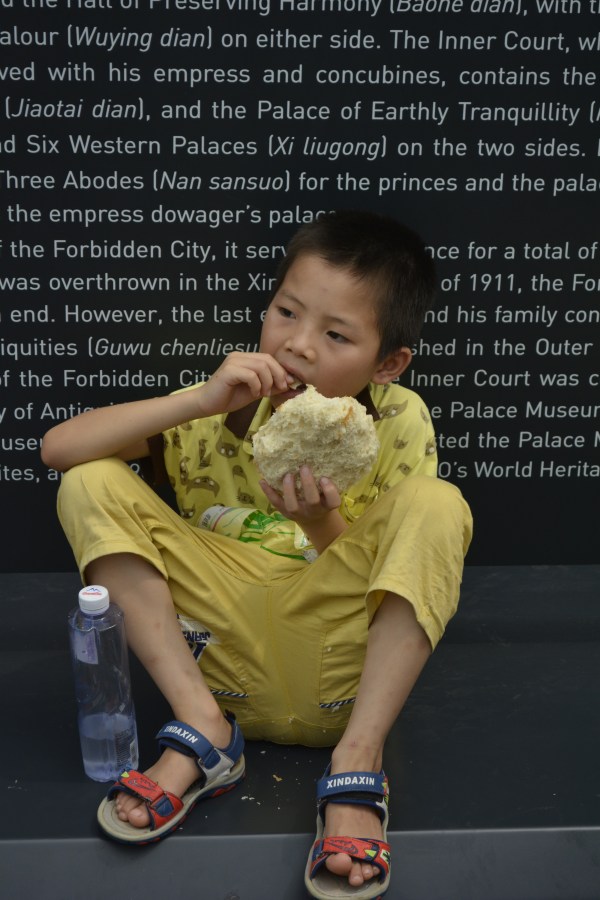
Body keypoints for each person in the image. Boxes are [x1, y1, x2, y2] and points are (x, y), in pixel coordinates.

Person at [41, 210, 472, 899]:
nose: (298, 344)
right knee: (88, 480)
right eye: (286, 312)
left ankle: (358, 757)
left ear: (387, 362)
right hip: (222, 653)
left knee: (439, 503)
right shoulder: (222, 403)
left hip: (338, 665)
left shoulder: (398, 418)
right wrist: (198, 401)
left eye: (336, 335)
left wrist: (324, 524)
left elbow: (391, 576)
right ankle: (204, 729)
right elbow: (58, 450)